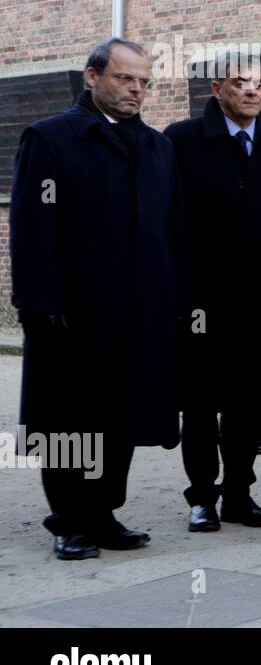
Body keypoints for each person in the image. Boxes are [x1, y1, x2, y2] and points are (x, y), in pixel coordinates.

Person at [10, 38, 187, 559]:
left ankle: (105, 511)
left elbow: (174, 229)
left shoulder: (159, 148)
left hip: (142, 309)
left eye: (144, 82)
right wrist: (40, 306)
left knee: (123, 416)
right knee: (70, 417)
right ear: (92, 77)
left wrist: (179, 300)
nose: (136, 90)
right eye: (125, 79)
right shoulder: (50, 140)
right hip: (75, 311)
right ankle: (69, 518)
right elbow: (32, 228)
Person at [165, 48, 261, 532]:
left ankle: (239, 493)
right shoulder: (181, 142)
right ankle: (202, 496)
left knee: (250, 403)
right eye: (240, 82)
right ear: (215, 89)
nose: (251, 90)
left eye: (259, 84)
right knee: (201, 403)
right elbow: (171, 222)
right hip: (202, 301)